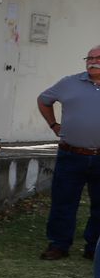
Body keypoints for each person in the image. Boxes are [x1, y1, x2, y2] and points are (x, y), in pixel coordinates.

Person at [36, 45, 100, 260]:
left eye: (97, 58)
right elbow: (43, 100)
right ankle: (59, 245)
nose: (92, 61)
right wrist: (54, 125)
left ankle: (95, 248)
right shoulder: (69, 83)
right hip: (71, 154)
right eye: (89, 57)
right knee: (63, 202)